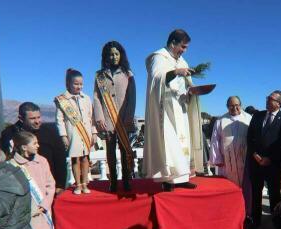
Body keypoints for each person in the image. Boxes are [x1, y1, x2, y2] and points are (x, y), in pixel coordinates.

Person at [143, 29, 204, 191]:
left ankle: (182, 178)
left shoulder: (182, 61)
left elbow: (186, 83)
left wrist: (193, 90)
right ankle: (168, 180)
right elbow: (157, 77)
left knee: (183, 141)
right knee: (169, 143)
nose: (184, 50)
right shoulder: (159, 57)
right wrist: (175, 72)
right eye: (183, 47)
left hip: (181, 107)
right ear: (173, 43)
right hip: (165, 110)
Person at [10, 131, 55, 229]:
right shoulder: (12, 165)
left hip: (41, 209)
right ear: (24, 147)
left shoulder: (42, 161)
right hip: (24, 211)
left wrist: (45, 204)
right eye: (34, 143)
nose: (38, 145)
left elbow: (50, 184)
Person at [247, 90, 281, 229]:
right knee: (256, 194)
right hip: (256, 162)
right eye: (267, 97)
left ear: (279, 103)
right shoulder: (257, 115)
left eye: (271, 99)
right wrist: (254, 154)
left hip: (273, 165)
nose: (267, 100)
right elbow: (250, 137)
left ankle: (277, 223)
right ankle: (256, 222)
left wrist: (270, 158)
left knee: (274, 195)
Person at [93, 41, 137, 192]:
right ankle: (112, 181)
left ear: (121, 55)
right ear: (106, 56)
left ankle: (126, 180)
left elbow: (132, 97)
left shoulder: (128, 74)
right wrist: (99, 118)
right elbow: (97, 97)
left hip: (124, 119)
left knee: (125, 150)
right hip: (107, 120)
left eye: (116, 54)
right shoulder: (99, 76)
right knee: (110, 152)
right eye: (111, 54)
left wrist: (129, 116)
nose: (114, 57)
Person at [1, 102, 68, 192]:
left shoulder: (50, 133)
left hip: (46, 184)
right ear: (21, 119)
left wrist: (60, 185)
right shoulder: (8, 134)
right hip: (20, 185)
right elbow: (6, 158)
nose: (37, 121)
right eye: (32, 118)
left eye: (38, 117)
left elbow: (60, 159)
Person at [55, 68, 97, 195]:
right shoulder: (62, 100)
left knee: (85, 158)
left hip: (86, 132)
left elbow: (92, 117)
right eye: (76, 84)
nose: (79, 86)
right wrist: (63, 136)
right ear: (68, 84)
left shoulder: (87, 98)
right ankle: (78, 184)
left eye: (81, 84)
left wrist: (94, 133)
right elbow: (59, 120)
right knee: (75, 160)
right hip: (72, 133)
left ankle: (85, 183)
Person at [209, 96, 252, 211]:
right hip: (227, 162)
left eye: (237, 105)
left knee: (247, 188)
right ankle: (231, 211)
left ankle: (247, 211)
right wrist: (217, 159)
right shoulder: (221, 120)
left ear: (241, 105)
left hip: (245, 160)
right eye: (231, 106)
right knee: (230, 188)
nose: (235, 108)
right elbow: (215, 141)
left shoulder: (249, 118)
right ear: (227, 107)